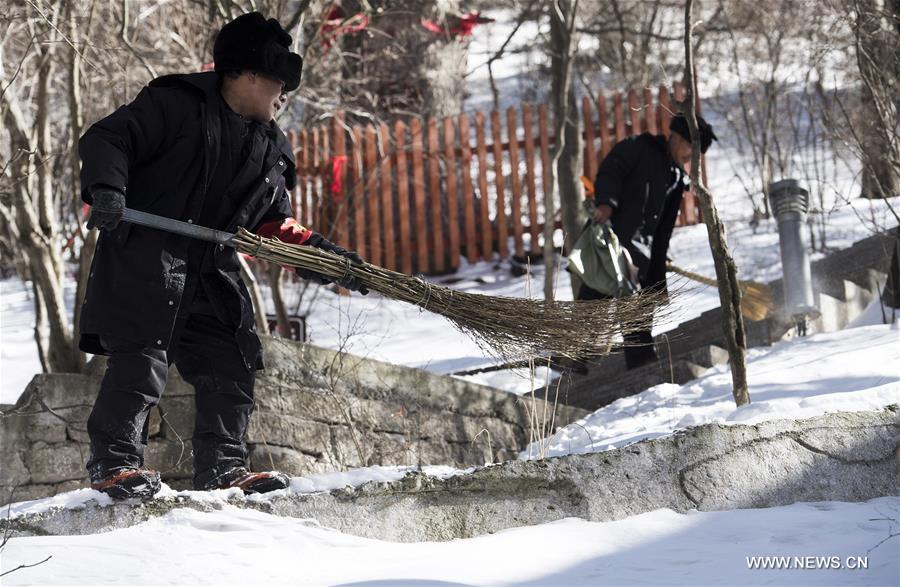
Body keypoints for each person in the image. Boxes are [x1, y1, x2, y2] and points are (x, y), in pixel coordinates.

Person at [79, 12, 365, 500]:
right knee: (142, 360)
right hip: (148, 260)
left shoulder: (271, 146)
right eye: (278, 82)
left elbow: (274, 227)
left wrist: (329, 260)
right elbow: (109, 138)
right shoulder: (174, 103)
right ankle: (115, 465)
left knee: (231, 360)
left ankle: (224, 470)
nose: (283, 95)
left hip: (211, 271)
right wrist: (107, 189)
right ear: (247, 74)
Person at [581, 114, 717, 369]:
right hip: (613, 241)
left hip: (640, 254)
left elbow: (662, 227)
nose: (693, 158)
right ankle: (574, 353)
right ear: (676, 138)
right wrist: (606, 203)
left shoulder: (677, 179)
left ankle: (642, 362)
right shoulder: (640, 148)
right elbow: (613, 168)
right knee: (593, 299)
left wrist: (660, 257)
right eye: (692, 149)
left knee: (639, 309)